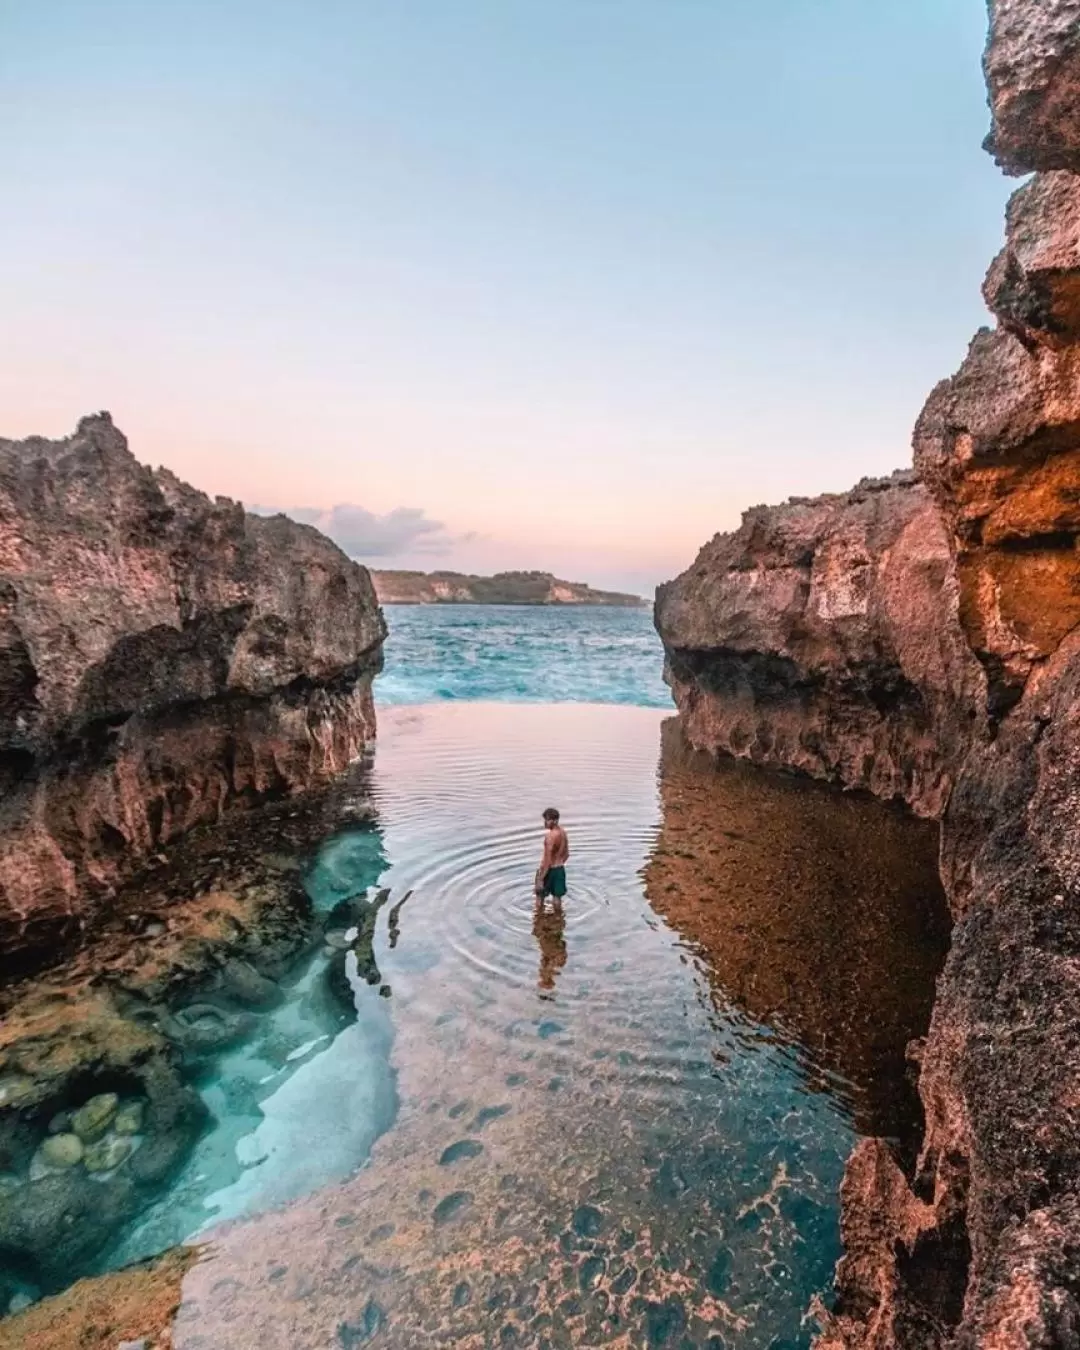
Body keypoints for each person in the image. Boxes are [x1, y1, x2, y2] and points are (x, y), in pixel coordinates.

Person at [534, 807, 569, 910]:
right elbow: (567, 854)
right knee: (557, 897)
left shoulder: (550, 836)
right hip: (560, 869)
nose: (545, 822)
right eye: (545, 819)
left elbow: (548, 860)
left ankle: (539, 918)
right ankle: (558, 919)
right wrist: (559, 863)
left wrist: (541, 877)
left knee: (539, 896)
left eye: (547, 820)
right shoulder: (563, 833)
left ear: (555, 821)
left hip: (549, 869)